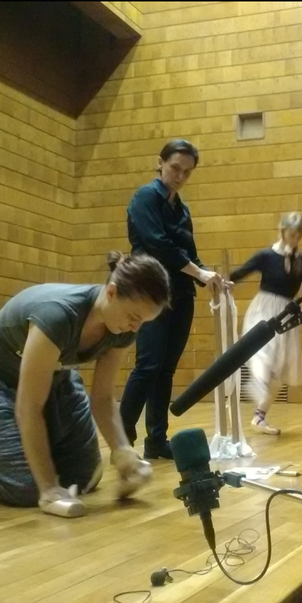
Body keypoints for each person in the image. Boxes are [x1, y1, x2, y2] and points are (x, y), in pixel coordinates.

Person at [0, 252, 169, 519]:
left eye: (143, 321)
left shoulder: (123, 328)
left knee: (84, 476)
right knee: (26, 488)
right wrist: (49, 489)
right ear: (112, 292)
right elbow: (29, 407)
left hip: (57, 377)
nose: (134, 327)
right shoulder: (57, 315)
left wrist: (124, 453)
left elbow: (103, 399)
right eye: (133, 316)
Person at [120, 139, 229, 459]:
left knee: (166, 369)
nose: (180, 176)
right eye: (175, 168)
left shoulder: (182, 209)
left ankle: (156, 440)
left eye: (187, 172)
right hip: (149, 291)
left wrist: (211, 277)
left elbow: (189, 253)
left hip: (180, 294)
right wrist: (199, 273)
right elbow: (158, 245)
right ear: (160, 163)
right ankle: (121, 438)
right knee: (148, 364)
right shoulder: (145, 197)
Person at [229, 212, 302, 434]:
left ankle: (259, 417)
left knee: (280, 369)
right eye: (292, 234)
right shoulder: (266, 256)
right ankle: (256, 385)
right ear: (283, 231)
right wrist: (219, 281)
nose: (295, 239)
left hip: (288, 312)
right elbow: (239, 274)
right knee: (263, 352)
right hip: (264, 308)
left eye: (299, 236)